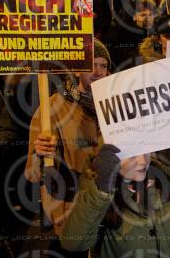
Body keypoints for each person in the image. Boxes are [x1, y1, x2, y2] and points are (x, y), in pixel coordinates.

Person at [59, 114, 170, 258]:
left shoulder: (160, 174)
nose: (143, 161)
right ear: (109, 156)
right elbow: (73, 243)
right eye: (132, 154)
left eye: (146, 149)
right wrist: (103, 186)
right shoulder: (94, 185)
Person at [24, 39, 112, 236]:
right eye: (91, 66)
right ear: (77, 70)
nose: (98, 72)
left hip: (109, 207)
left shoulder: (117, 103)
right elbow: (32, 174)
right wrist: (38, 154)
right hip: (72, 209)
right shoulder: (52, 108)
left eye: (103, 66)